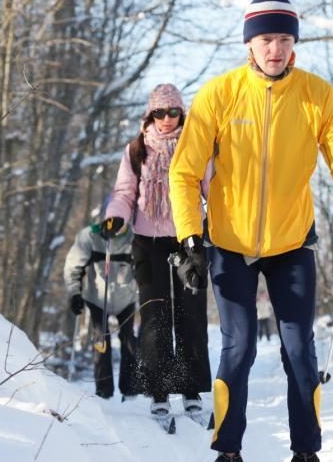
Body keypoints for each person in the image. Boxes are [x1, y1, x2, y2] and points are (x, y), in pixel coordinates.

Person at [169, 0, 333, 462]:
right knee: (237, 349)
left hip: (292, 242)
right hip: (229, 242)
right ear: (249, 45)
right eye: (266, 41)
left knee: (299, 351)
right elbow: (184, 171)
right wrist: (190, 239)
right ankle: (228, 451)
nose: (276, 49)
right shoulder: (220, 94)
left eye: (284, 39)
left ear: (293, 43)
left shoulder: (315, 95)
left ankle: (306, 452)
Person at [104, 83, 212, 417]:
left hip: (188, 239)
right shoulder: (136, 149)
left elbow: (211, 189)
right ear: (150, 115)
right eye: (159, 113)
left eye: (173, 112)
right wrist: (114, 217)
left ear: (183, 113)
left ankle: (190, 386)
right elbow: (124, 192)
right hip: (147, 241)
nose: (166, 119)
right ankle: (159, 390)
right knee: (154, 315)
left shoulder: (196, 145)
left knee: (190, 314)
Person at [64, 209, 139, 400]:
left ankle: (129, 390)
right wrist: (75, 293)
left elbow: (146, 265)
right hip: (97, 297)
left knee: (129, 339)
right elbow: (73, 266)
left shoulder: (134, 236)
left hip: (126, 297)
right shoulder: (89, 236)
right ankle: (103, 391)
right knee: (100, 339)